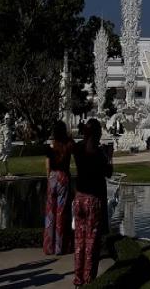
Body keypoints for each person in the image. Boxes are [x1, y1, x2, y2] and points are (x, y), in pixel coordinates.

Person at [72, 119, 113, 286]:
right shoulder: (98, 153)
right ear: (97, 134)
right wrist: (109, 156)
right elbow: (108, 173)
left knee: (79, 240)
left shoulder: (78, 148)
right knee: (91, 242)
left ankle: (78, 278)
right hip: (93, 200)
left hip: (79, 198)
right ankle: (89, 280)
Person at [44, 120, 75, 256]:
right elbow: (74, 145)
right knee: (61, 212)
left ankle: (49, 246)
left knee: (50, 212)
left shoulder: (51, 146)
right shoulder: (67, 146)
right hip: (63, 177)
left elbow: (47, 166)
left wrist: (49, 179)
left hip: (52, 177)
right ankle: (60, 246)